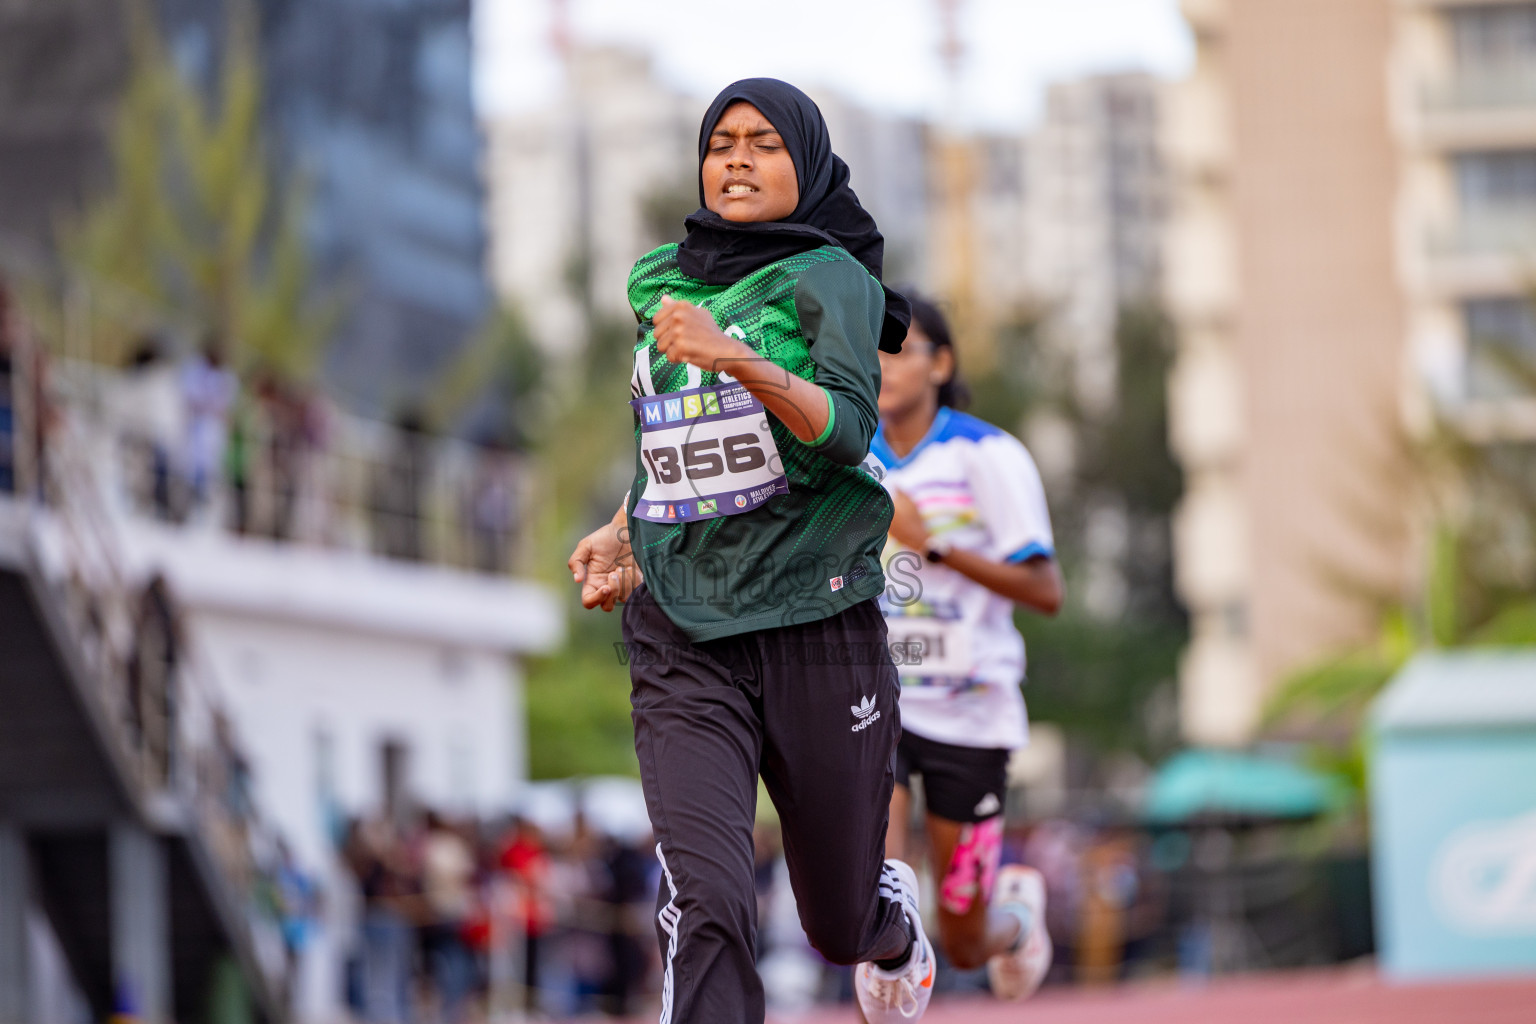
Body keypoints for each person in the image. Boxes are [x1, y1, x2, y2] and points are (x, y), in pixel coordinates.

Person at [567, 79, 936, 1024]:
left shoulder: (832, 281)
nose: (736, 158)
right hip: (684, 627)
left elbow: (848, 433)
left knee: (839, 924)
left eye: (763, 143)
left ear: (804, 164)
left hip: (817, 619)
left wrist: (735, 354)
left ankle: (890, 922)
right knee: (710, 898)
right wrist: (623, 527)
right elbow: (675, 437)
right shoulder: (663, 283)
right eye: (721, 141)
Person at [872, 296, 1061, 1001]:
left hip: (972, 714)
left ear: (941, 363)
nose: (883, 364)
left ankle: (1016, 922)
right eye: (872, 349)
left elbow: (1046, 589)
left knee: (961, 939)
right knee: (880, 899)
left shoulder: (989, 456)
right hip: (879, 701)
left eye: (901, 349)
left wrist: (936, 548)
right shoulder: (847, 456)